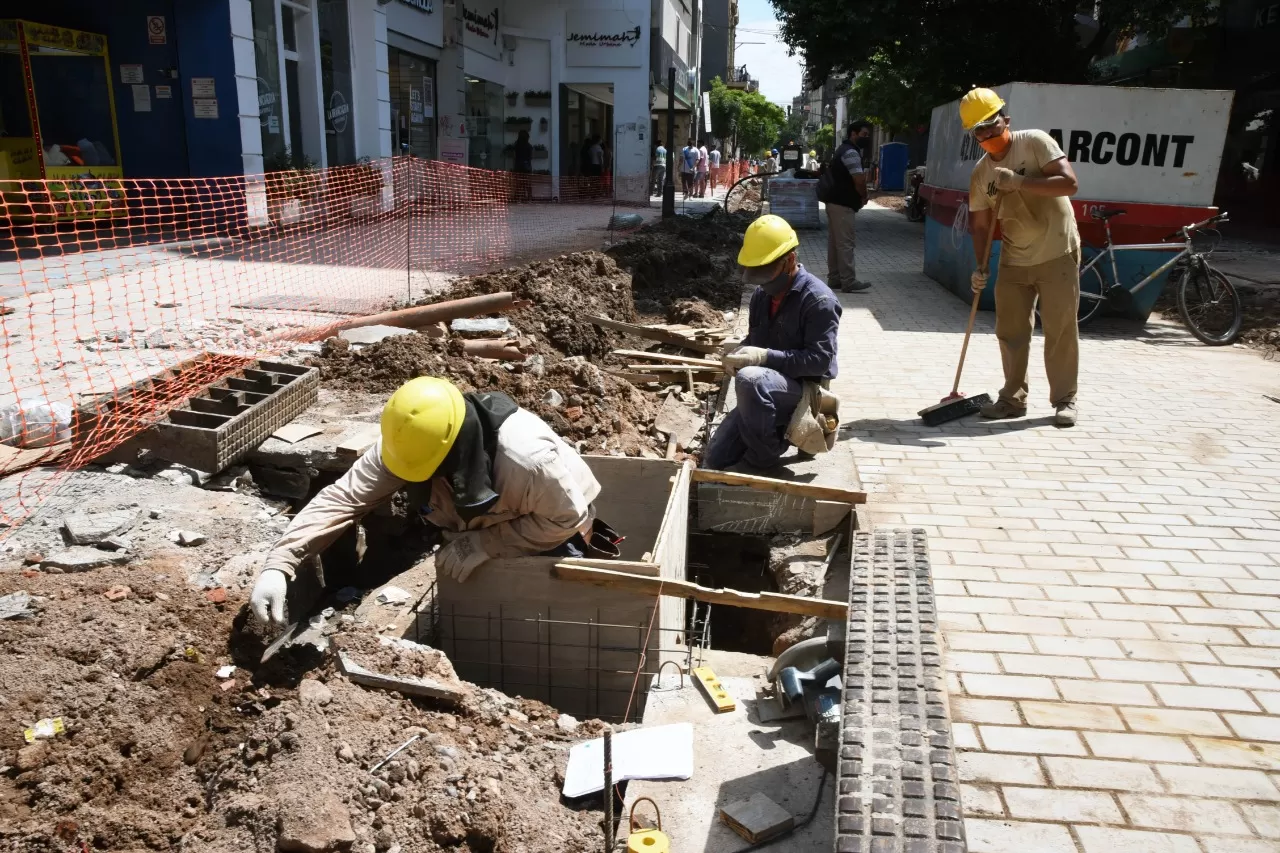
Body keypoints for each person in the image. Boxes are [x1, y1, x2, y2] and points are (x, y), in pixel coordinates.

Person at [249, 378, 610, 626]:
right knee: (477, 612)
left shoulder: (527, 463)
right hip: (479, 522)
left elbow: (564, 518)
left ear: (452, 453)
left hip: (549, 526)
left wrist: (485, 544)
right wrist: (280, 563)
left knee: (543, 617)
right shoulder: (408, 444)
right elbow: (344, 497)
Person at [961, 87, 1081, 427]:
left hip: (1058, 250)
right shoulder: (981, 174)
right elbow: (981, 225)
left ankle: (1065, 400)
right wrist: (980, 266)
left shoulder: (1035, 142)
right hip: (1014, 258)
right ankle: (1013, 399)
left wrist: (1020, 181)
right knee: (1011, 332)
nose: (987, 135)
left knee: (1059, 329)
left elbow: (1069, 184)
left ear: (1006, 120)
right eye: (979, 131)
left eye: (991, 125)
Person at [704, 215, 842, 471]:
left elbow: (819, 361)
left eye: (767, 273)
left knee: (751, 379)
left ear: (790, 260)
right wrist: (739, 348)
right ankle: (774, 435)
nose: (763, 283)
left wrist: (762, 357)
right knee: (717, 458)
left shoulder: (819, 301)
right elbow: (758, 341)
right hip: (768, 386)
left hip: (806, 390)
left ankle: (762, 460)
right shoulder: (762, 296)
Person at [822, 120, 872, 293]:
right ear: (853, 134)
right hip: (843, 203)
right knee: (845, 243)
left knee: (835, 242)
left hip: (834, 201)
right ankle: (848, 281)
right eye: (864, 135)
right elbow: (859, 179)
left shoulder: (842, 149)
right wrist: (864, 196)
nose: (867, 138)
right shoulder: (851, 152)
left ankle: (835, 278)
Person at [513, 129, 533, 202]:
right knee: (528, 184)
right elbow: (530, 157)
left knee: (518, 184)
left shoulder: (516, 145)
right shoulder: (529, 146)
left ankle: (518, 198)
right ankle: (529, 199)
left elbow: (515, 157)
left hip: (518, 166)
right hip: (527, 167)